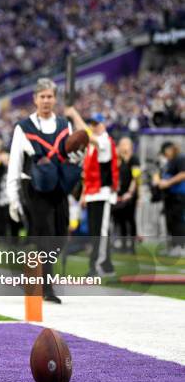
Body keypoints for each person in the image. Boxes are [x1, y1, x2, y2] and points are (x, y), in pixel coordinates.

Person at [6, 78, 85, 304]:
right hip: (33, 188)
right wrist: (13, 198)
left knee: (60, 235)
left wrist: (76, 157)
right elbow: (15, 163)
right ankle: (46, 287)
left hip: (58, 187)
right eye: (42, 97)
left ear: (55, 98)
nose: (46, 100)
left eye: (50, 96)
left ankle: (31, 275)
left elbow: (70, 154)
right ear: (35, 99)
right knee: (45, 236)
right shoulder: (23, 127)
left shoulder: (64, 125)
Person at [69, 110, 118, 276]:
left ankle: (97, 265)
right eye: (92, 124)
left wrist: (75, 115)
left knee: (101, 231)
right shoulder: (92, 145)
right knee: (95, 231)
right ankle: (106, 265)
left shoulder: (104, 140)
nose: (93, 127)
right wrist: (84, 194)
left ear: (103, 124)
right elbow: (87, 174)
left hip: (103, 193)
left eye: (96, 124)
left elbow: (88, 136)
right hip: (93, 193)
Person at [154, 141, 185, 256]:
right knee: (170, 222)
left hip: (179, 195)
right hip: (170, 196)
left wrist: (168, 183)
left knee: (178, 221)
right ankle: (173, 246)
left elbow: (183, 174)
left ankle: (180, 246)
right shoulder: (169, 162)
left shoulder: (180, 158)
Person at [113, 137, 140, 253]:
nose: (123, 146)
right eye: (121, 144)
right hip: (119, 194)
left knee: (130, 220)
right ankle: (123, 245)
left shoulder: (134, 159)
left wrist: (130, 192)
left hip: (130, 195)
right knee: (120, 220)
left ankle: (132, 246)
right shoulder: (119, 160)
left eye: (126, 144)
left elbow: (136, 177)